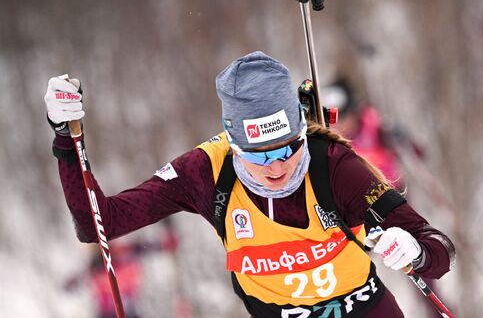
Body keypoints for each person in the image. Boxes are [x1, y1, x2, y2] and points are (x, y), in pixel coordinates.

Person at [45, 51, 455, 318]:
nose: (276, 166)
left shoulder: (333, 164)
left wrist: (416, 250)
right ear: (233, 144)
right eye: (257, 155)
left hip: (361, 310)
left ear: (301, 131)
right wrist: (67, 140)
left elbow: (437, 248)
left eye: (287, 148)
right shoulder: (207, 171)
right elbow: (99, 224)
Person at [322, 77, 454, 318]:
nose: (341, 126)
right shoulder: (331, 136)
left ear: (355, 111)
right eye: (336, 120)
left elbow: (418, 152)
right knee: (350, 268)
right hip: (354, 208)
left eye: (345, 118)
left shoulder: (375, 127)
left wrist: (401, 139)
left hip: (388, 200)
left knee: (413, 259)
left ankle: (436, 311)